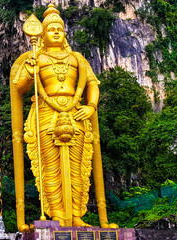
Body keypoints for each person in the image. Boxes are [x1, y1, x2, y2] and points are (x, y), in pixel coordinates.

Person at [10, 4, 116, 228]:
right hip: (47, 113)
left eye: (60, 28)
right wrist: (30, 71)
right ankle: (58, 215)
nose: (56, 32)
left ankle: (76, 215)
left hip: (76, 112)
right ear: (43, 34)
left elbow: (92, 84)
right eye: (51, 29)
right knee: (50, 168)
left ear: (65, 33)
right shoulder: (37, 58)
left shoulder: (76, 58)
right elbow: (18, 88)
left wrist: (92, 106)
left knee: (78, 168)